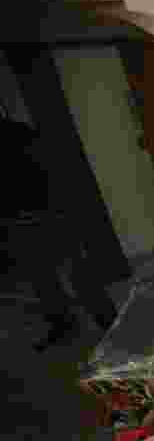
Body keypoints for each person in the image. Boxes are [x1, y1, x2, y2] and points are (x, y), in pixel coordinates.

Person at [0, 116, 118, 350]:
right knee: (41, 277)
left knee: (78, 271)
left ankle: (110, 323)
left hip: (48, 213)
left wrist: (59, 208)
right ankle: (64, 325)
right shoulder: (22, 132)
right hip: (19, 220)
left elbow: (50, 170)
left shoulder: (20, 133)